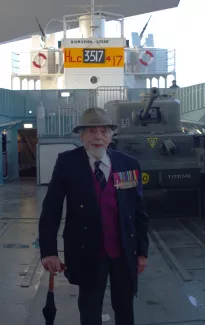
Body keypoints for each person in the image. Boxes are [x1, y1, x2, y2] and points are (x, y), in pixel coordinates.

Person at [38, 107, 149, 325]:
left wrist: (142, 252)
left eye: (103, 131)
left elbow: (138, 211)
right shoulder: (67, 163)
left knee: (125, 308)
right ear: (81, 135)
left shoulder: (128, 164)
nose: (98, 137)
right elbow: (51, 210)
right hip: (86, 251)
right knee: (89, 309)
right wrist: (49, 252)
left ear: (111, 136)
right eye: (91, 131)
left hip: (123, 251)